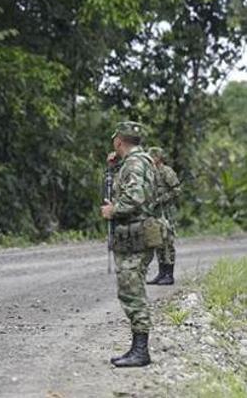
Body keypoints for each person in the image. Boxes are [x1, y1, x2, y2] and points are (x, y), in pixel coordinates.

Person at [100, 121, 157, 367]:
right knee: (130, 290)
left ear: (118, 141)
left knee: (133, 292)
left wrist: (114, 210)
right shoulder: (136, 162)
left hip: (136, 234)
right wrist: (113, 168)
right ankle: (137, 348)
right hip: (133, 234)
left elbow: (135, 197)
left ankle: (141, 351)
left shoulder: (134, 163)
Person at [146, 147, 181, 286]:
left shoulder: (167, 171)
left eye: (152, 157)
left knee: (168, 242)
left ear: (158, 157)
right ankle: (161, 273)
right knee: (158, 242)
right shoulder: (150, 172)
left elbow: (177, 190)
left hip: (166, 213)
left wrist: (162, 199)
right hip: (155, 213)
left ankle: (169, 274)